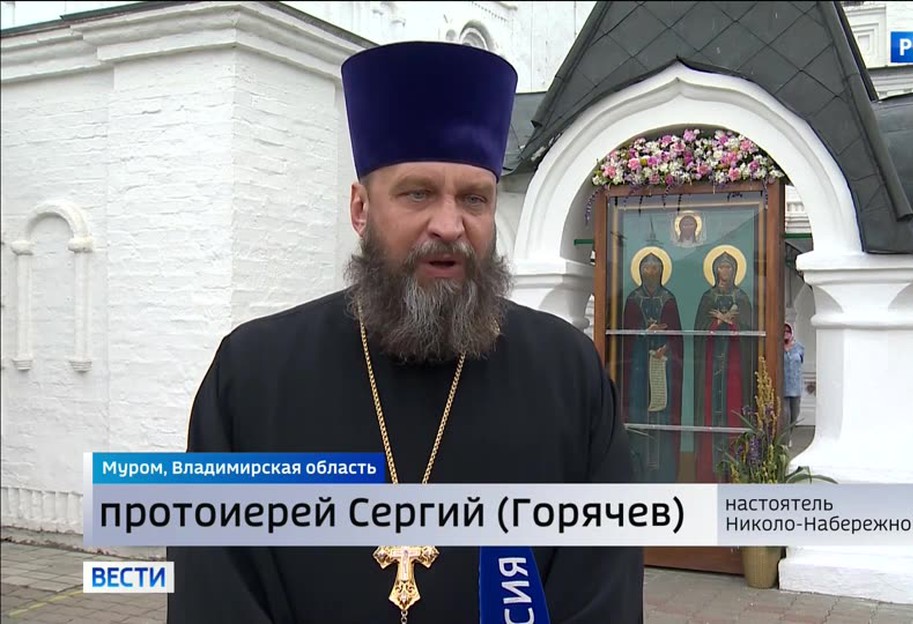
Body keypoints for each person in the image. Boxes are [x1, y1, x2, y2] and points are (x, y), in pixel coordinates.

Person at [166, 41, 644, 624]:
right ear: (360, 209)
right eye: (418, 193)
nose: (449, 225)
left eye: (474, 199)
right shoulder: (251, 375)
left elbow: (602, 588)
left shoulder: (568, 373)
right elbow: (213, 590)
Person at [621, 249, 683, 483]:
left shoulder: (669, 299)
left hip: (663, 368)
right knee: (640, 412)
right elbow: (625, 339)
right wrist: (643, 333)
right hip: (638, 369)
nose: (651, 272)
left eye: (655, 268)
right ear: (640, 271)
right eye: (646, 268)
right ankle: (638, 470)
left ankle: (664, 471)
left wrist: (666, 348)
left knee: (661, 417)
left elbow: (677, 338)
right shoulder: (633, 300)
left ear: (662, 271)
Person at [692, 249, 753, 483]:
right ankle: (709, 472)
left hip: (734, 366)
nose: (724, 271)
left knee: (733, 410)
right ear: (714, 270)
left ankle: (735, 472)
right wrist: (716, 322)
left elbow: (749, 329)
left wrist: (733, 324)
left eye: (728, 267)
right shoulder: (707, 297)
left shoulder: (742, 297)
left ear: (735, 270)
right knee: (711, 410)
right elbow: (699, 329)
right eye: (721, 267)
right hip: (711, 366)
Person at [782, 323, 805, 446]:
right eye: (783, 331)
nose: (786, 333)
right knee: (785, 415)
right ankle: (785, 441)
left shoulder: (799, 347)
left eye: (788, 331)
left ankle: (789, 435)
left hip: (795, 387)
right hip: (783, 387)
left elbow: (801, 361)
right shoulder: (777, 347)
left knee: (794, 414)